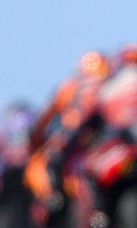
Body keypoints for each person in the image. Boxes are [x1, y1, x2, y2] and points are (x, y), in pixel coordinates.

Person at [25, 50, 111, 219]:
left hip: (77, 141)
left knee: (53, 161)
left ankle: (55, 198)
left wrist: (36, 135)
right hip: (89, 141)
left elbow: (45, 118)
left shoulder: (70, 87)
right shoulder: (108, 87)